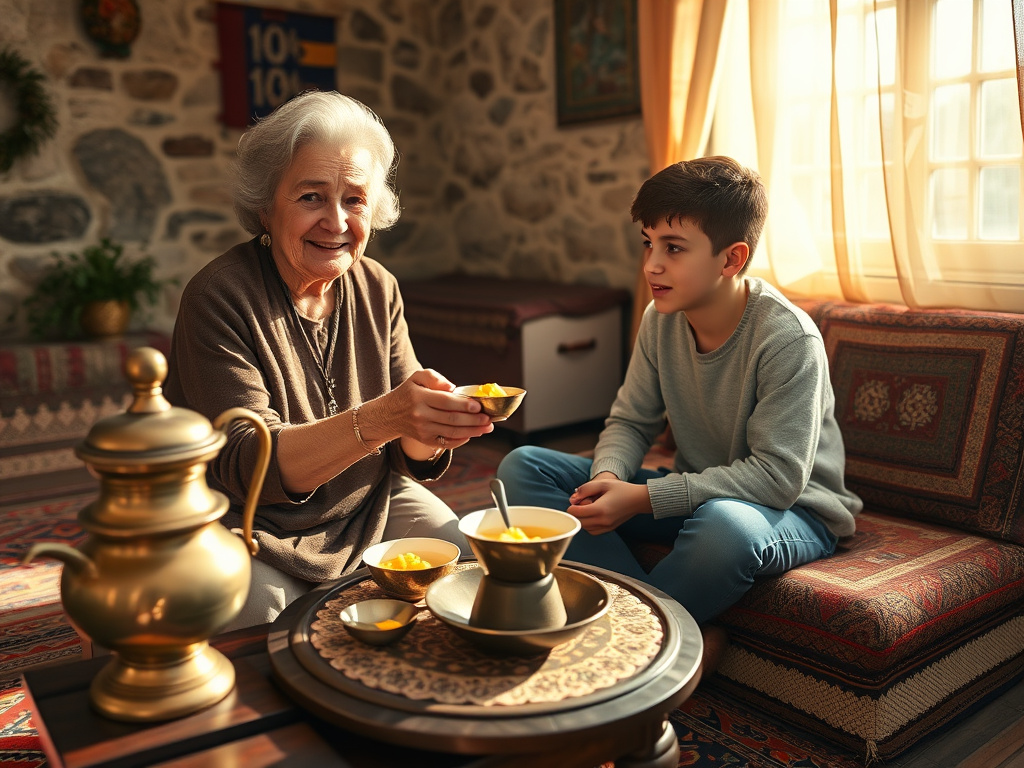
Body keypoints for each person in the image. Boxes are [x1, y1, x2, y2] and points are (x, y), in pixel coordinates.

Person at [497, 156, 862, 672]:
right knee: (524, 466)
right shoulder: (660, 318)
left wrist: (644, 498)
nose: (651, 265)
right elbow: (630, 421)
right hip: (698, 489)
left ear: (731, 259)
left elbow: (779, 479)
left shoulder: (787, 339)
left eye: (673, 248)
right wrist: (607, 479)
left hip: (794, 511)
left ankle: (620, 642)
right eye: (648, 243)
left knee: (724, 529)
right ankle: (667, 632)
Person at [164, 90, 493, 629]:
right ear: (266, 204)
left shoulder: (378, 286)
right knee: (263, 618)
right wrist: (387, 417)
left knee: (466, 565)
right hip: (252, 522)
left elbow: (410, 448)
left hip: (369, 502)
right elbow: (250, 468)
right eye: (311, 197)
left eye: (355, 199)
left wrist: (433, 422)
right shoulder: (218, 296)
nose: (336, 222)